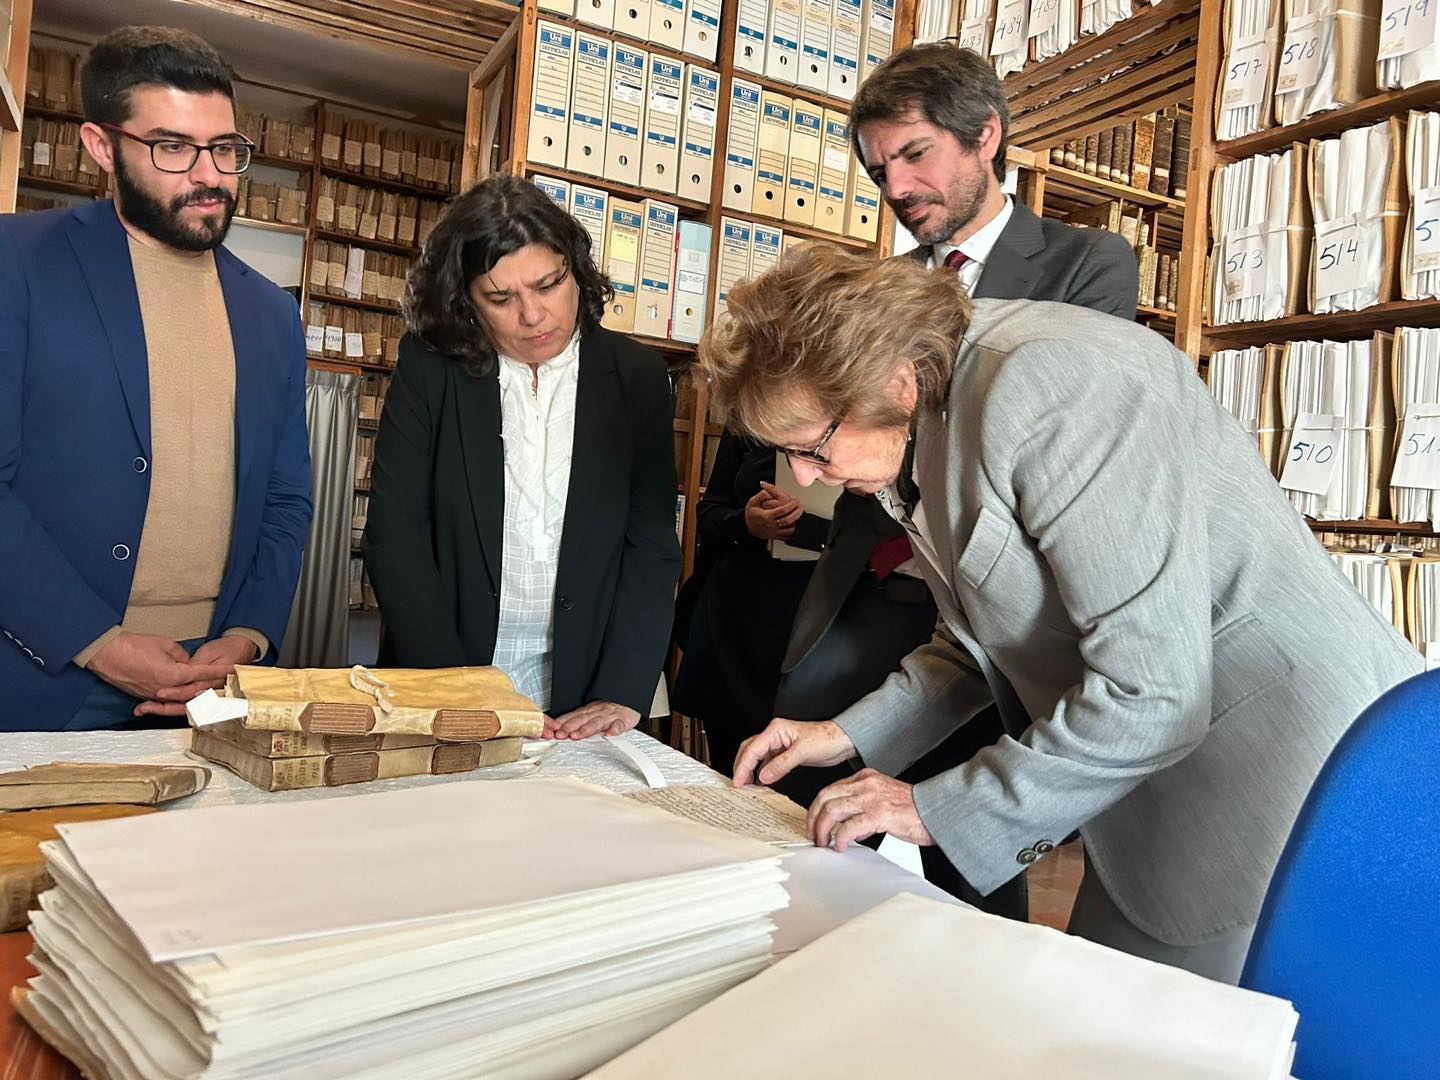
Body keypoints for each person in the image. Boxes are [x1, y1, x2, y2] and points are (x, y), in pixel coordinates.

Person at [710, 244, 1421, 983]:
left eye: (811, 448)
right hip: (1148, 781)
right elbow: (981, 639)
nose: (801, 478)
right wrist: (844, 734)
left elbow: (1155, 694)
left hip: (1291, 782)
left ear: (890, 380)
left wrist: (935, 809)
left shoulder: (1051, 387)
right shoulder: (921, 411)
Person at [774, 41, 1139, 917]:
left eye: (913, 154)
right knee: (821, 830)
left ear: (986, 136)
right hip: (875, 589)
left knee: (969, 858)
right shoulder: (880, 287)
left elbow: (1049, 432)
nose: (895, 188)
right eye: (877, 169)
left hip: (1000, 600)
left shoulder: (1086, 265)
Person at [0, 27, 312, 731]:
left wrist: (250, 635)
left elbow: (288, 499)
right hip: (52, 676)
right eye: (172, 147)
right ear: (101, 146)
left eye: (226, 149)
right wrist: (97, 642)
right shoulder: (16, 263)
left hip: (213, 683)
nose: (210, 176)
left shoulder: (271, 313)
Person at [363, 176, 680, 740]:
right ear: (466, 300)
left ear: (575, 270)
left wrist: (622, 690)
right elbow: (396, 534)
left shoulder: (638, 377)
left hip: (585, 691)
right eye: (501, 298)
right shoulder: (431, 368)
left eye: (548, 285)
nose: (532, 316)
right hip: (447, 675)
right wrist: (457, 688)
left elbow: (650, 544)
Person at [670, 431, 830, 771]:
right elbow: (710, 510)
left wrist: (805, 528)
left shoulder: (863, 430)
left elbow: (888, 536)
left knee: (798, 779)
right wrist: (745, 522)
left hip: (817, 627)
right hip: (737, 622)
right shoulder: (749, 415)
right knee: (730, 770)